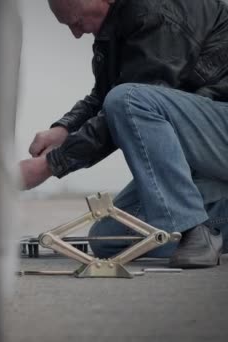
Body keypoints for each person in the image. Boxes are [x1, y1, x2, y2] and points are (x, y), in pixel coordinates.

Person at [19, 0, 228, 268]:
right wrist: (63, 129)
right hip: (204, 141)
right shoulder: (119, 23)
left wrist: (49, 165)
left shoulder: (158, 10)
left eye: (77, 21)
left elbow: (129, 103)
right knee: (109, 239)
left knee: (127, 100)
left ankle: (191, 229)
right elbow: (105, 96)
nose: (76, 33)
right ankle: (209, 228)